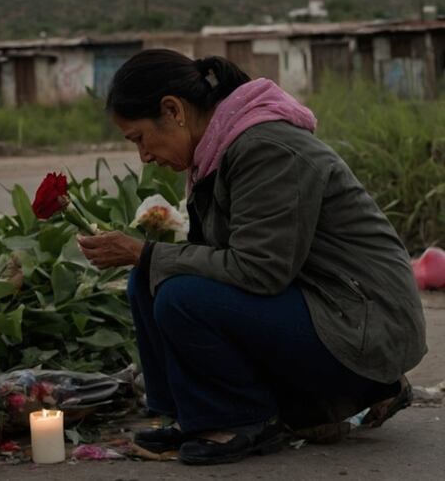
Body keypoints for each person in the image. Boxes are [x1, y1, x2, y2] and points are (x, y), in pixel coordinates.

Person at [76, 50, 426, 465]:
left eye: (139, 138)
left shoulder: (266, 147)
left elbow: (258, 270)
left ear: (173, 111)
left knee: (180, 295)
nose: (144, 156)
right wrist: (149, 258)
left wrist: (147, 252)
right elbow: (225, 257)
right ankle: (193, 416)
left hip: (363, 322)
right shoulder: (218, 152)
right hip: (321, 305)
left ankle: (242, 419)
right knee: (146, 280)